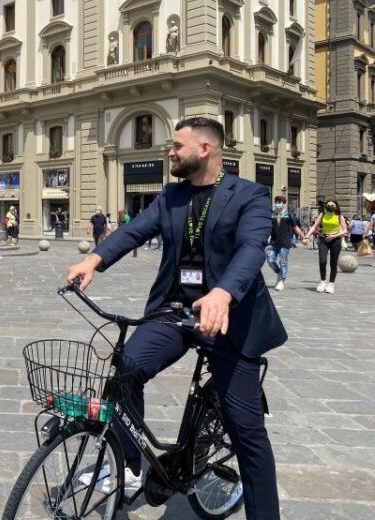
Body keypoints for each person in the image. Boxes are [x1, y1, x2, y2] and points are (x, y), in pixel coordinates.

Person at [67, 117, 285, 519]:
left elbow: (252, 248)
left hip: (228, 320)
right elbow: (133, 232)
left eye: (177, 145)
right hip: (174, 313)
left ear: (205, 149)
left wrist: (223, 292)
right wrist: (94, 259)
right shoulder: (170, 196)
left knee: (247, 432)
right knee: (127, 367)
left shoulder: (250, 195)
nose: (169, 152)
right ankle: (130, 463)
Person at [266, 195, 308, 291]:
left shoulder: (289, 215)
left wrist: (303, 237)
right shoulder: (271, 214)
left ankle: (281, 281)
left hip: (285, 242)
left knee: (283, 261)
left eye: (280, 202)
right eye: (276, 202)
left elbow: (295, 227)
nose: (278, 204)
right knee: (271, 261)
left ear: (284, 204)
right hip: (273, 242)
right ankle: (279, 273)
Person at [307, 199, 348, 294]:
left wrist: (334, 236)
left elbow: (345, 231)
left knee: (333, 263)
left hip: (335, 239)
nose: (330, 207)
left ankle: (331, 283)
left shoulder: (339, 216)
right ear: (326, 206)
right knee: (322, 261)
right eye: (328, 205)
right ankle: (322, 281)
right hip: (323, 239)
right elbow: (314, 227)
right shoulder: (322, 215)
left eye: (332, 205)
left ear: (336, 207)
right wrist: (307, 236)